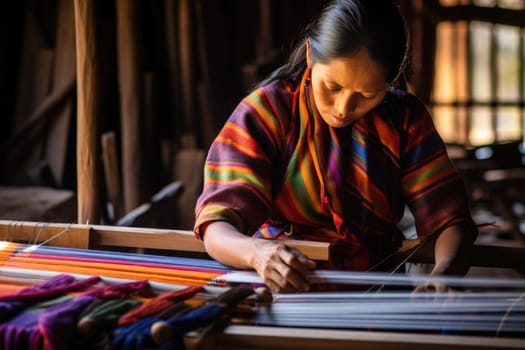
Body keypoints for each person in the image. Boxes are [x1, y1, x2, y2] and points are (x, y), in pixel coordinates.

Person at [193, 0, 478, 293]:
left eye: (367, 94)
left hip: (377, 292)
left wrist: (444, 274)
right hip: (278, 289)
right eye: (332, 87)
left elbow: (448, 218)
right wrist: (257, 253)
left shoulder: (405, 119)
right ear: (310, 55)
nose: (343, 108)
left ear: (389, 81)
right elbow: (217, 224)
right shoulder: (267, 113)